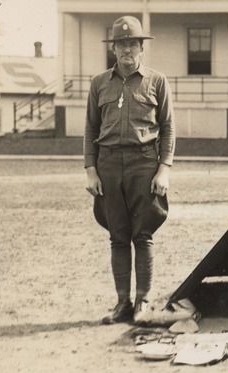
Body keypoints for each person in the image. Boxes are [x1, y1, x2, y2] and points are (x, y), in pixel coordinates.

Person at [84, 16, 175, 324]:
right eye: (121, 44)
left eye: (132, 44)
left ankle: (144, 302)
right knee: (117, 236)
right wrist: (90, 170)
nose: (127, 50)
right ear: (114, 49)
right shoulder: (98, 83)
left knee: (143, 234)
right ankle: (123, 302)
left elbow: (168, 127)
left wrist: (164, 169)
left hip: (144, 163)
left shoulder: (157, 81)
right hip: (108, 165)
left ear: (141, 48)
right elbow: (90, 129)